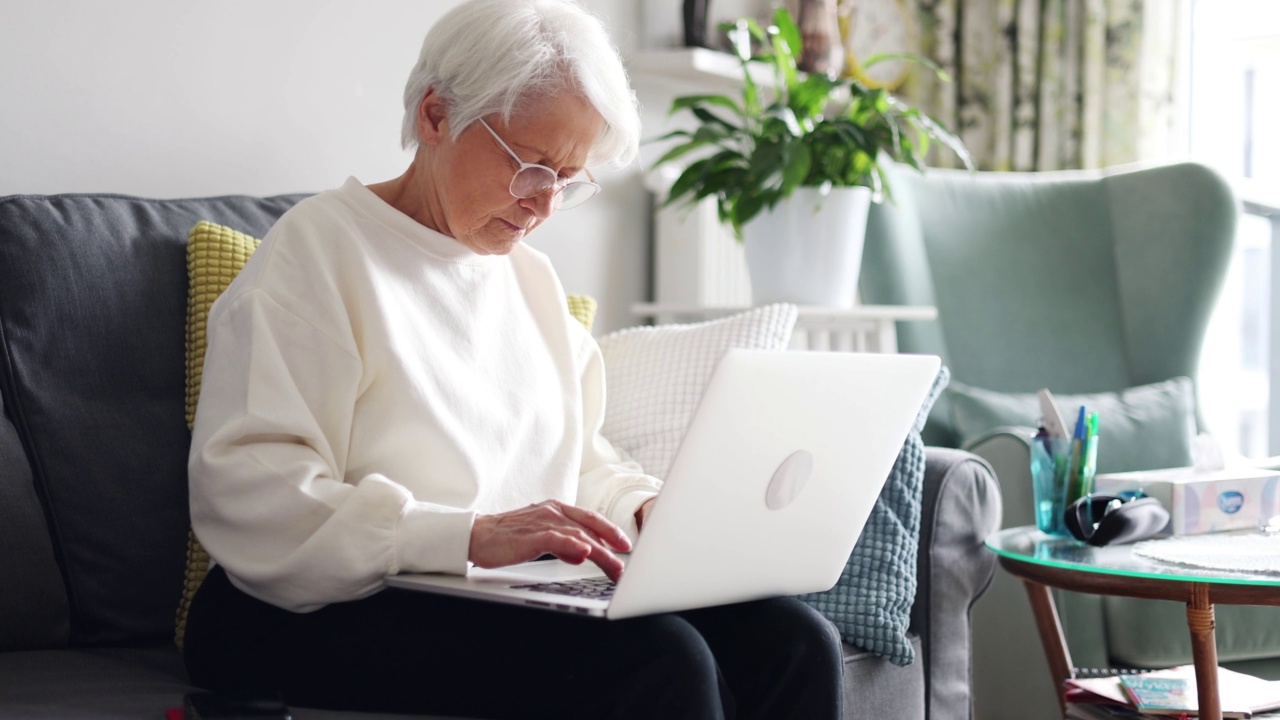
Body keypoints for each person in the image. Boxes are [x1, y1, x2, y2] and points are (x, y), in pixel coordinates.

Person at [183, 1, 844, 717]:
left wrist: (643, 510)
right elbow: (254, 494)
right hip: (313, 605)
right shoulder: (319, 252)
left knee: (796, 640)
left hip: (491, 592)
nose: (545, 205)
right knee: (659, 662)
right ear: (436, 117)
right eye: (532, 166)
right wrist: (465, 535)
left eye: (568, 179)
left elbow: (581, 457)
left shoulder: (528, 279)